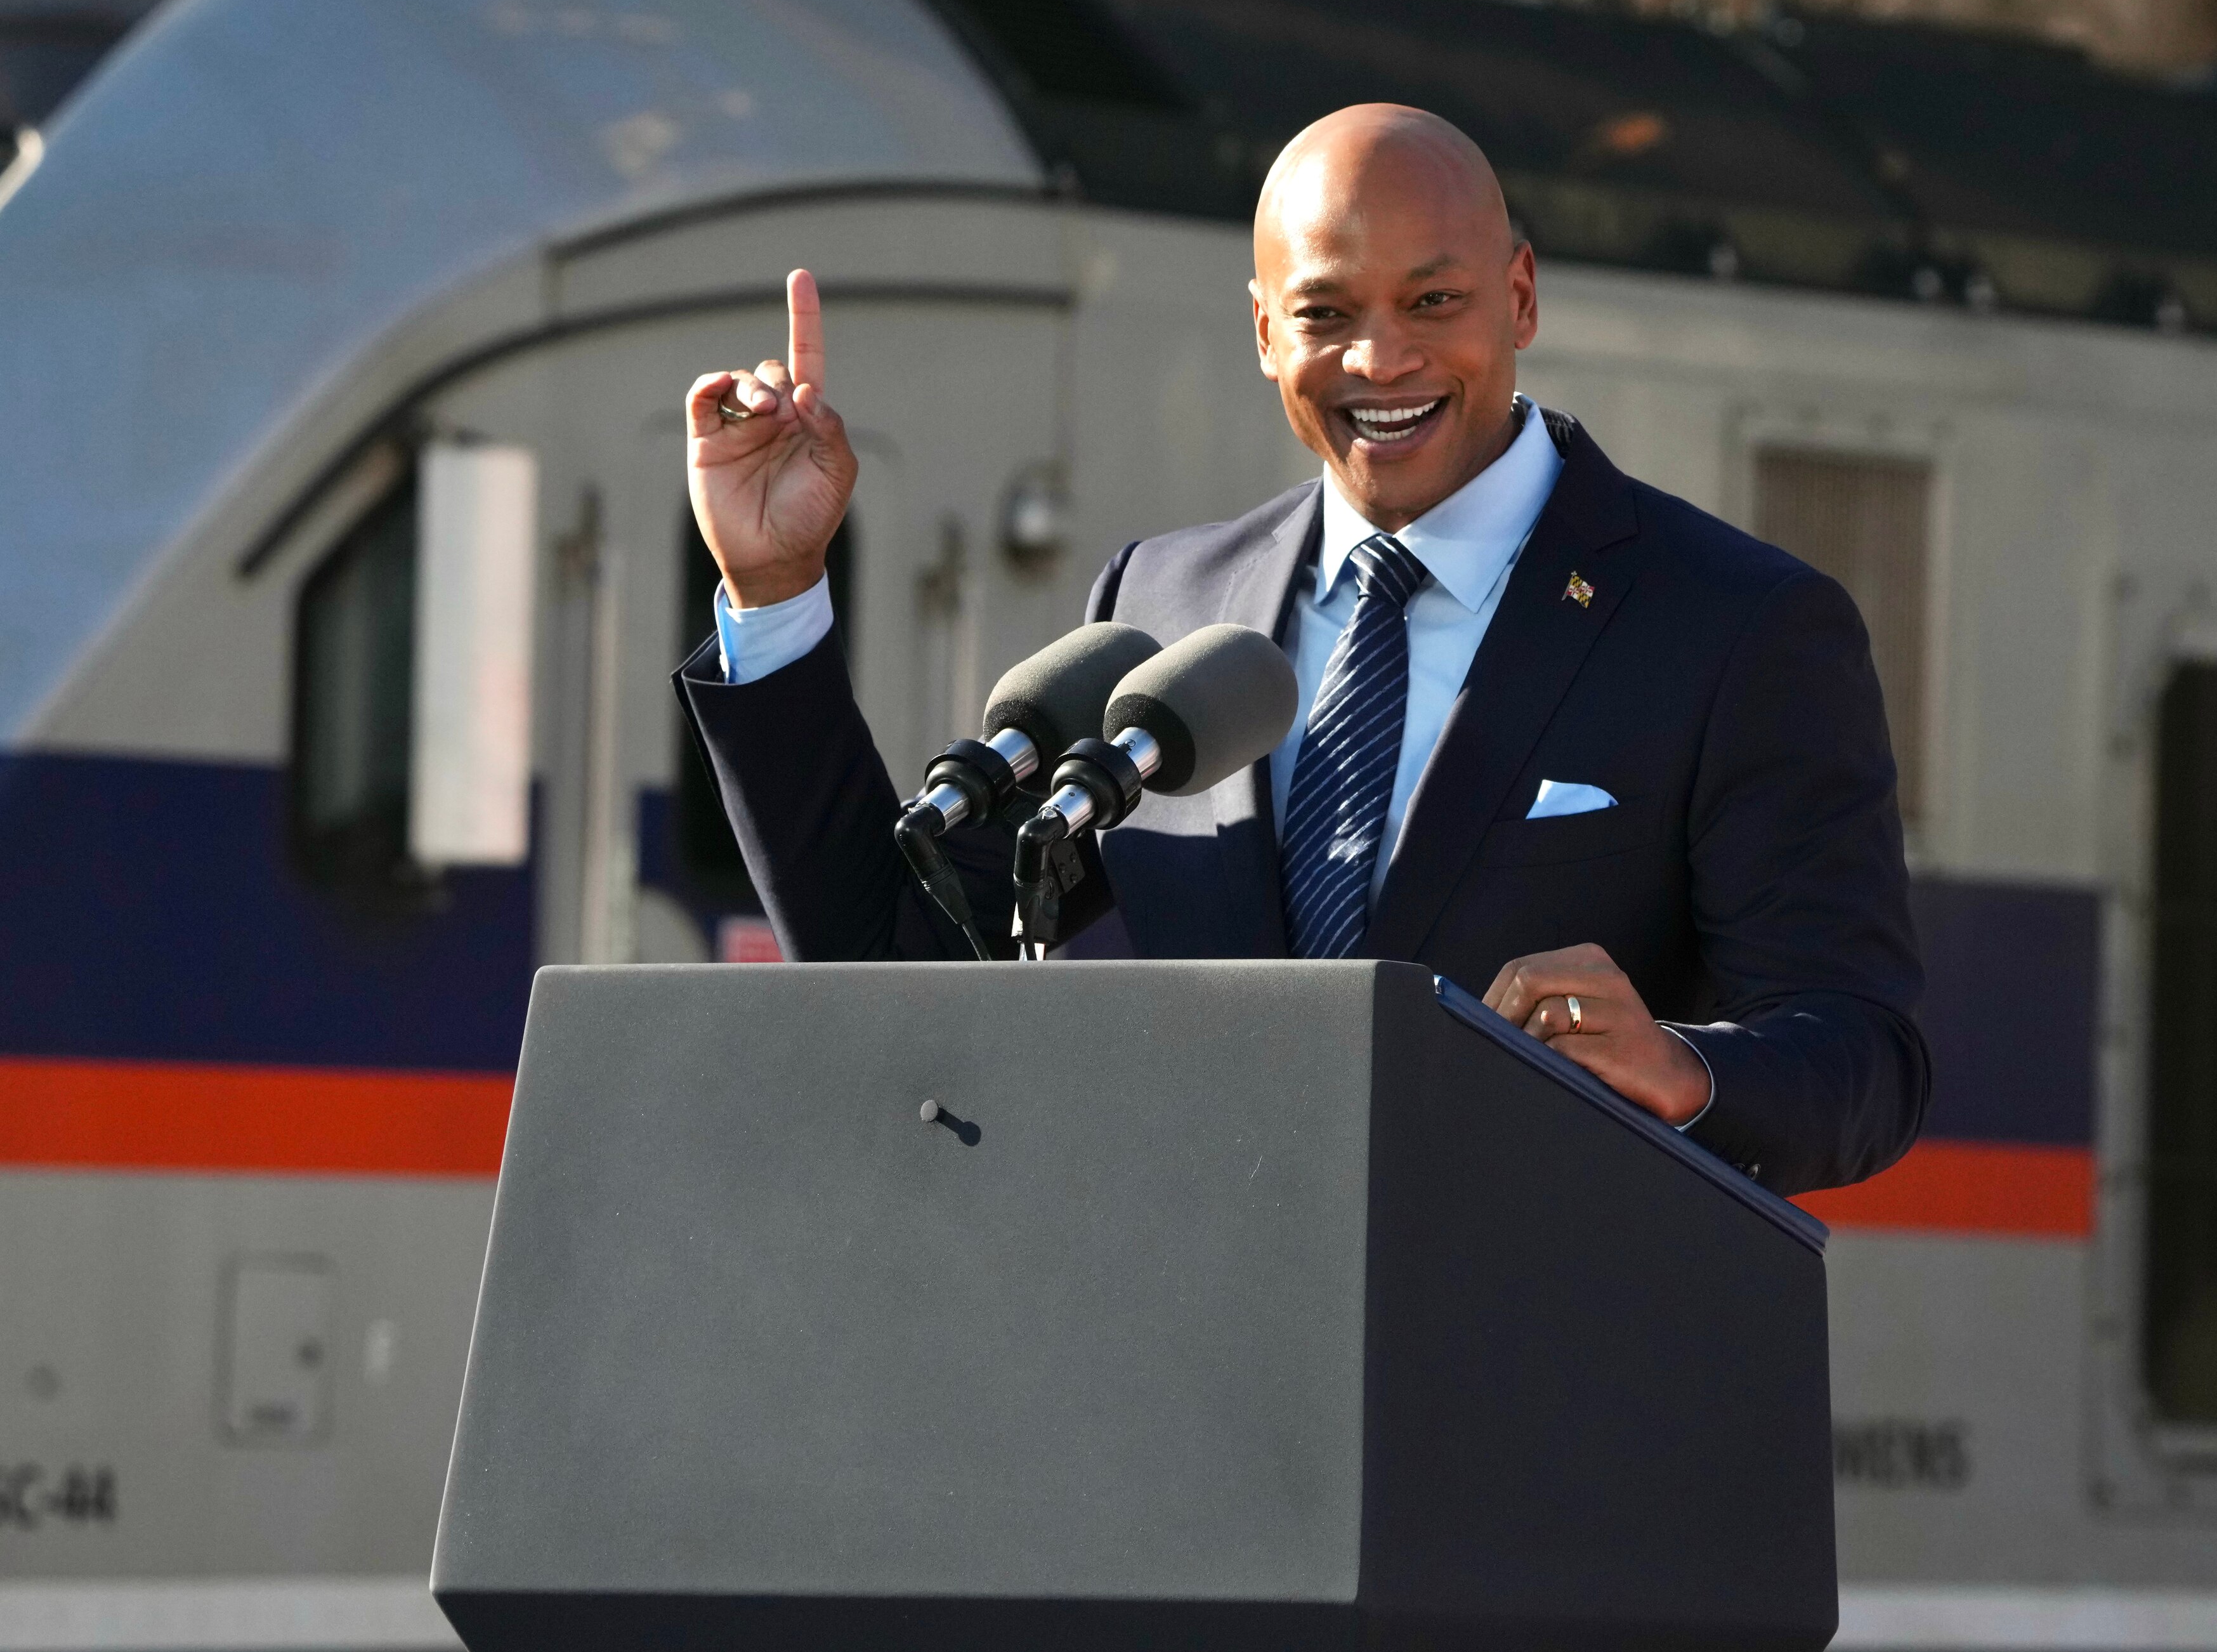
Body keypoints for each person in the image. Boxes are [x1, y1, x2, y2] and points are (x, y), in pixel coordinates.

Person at [675, 104, 1928, 1195]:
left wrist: (1682, 1066)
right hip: (1208, 1404)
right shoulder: (1163, 604)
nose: (1381, 361)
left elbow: (1863, 1058)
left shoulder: (1737, 626)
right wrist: (772, 587)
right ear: (1268, 333)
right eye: (1327, 314)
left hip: (1536, 1411)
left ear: (1523, 297)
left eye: (1435, 301)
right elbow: (892, 955)